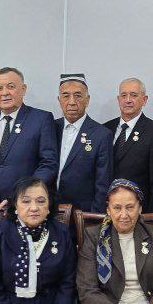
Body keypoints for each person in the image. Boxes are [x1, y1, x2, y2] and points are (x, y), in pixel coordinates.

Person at [0, 67, 58, 211]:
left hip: (26, 208)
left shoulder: (41, 119)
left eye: (11, 87)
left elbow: (48, 164)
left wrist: (24, 195)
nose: (4, 93)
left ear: (23, 89)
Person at [104, 78, 153, 212]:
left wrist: (150, 217)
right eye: (124, 95)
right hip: (105, 209)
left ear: (144, 100)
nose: (128, 100)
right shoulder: (106, 129)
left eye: (133, 95)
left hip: (137, 212)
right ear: (118, 99)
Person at [54, 73, 112, 213]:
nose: (72, 102)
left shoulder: (101, 134)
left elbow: (102, 183)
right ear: (59, 100)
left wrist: (93, 218)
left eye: (78, 96)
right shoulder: (49, 128)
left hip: (81, 214)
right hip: (47, 211)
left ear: (87, 100)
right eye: (66, 96)